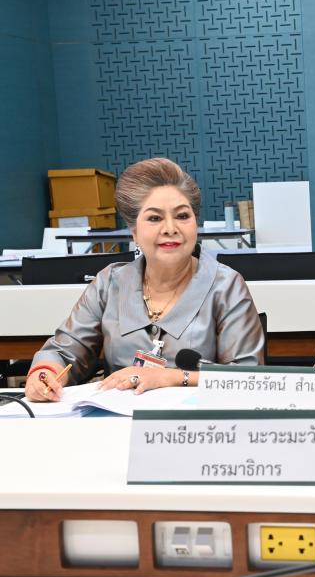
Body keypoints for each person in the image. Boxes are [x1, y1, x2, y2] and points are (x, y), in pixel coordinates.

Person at [25, 158, 265, 401]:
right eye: (154, 218)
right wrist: (46, 374)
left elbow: (248, 377)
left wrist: (171, 377)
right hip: (116, 418)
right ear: (134, 232)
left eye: (182, 216)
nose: (170, 228)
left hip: (196, 420)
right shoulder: (109, 283)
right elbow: (65, 351)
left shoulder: (226, 285)